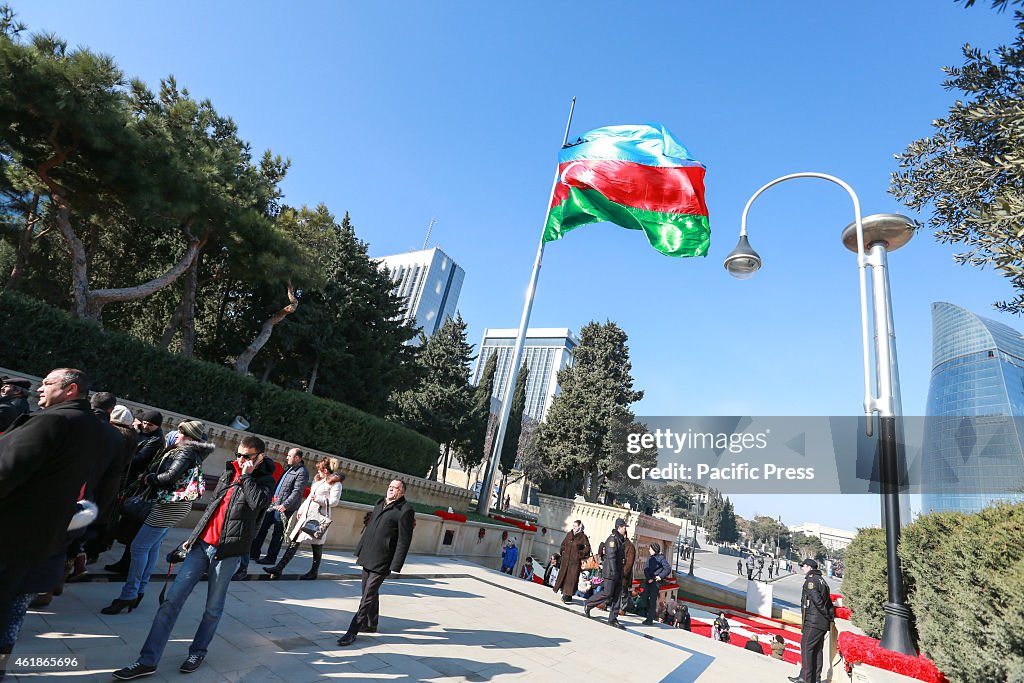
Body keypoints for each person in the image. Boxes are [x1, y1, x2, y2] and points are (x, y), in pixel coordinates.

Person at [112, 435, 274, 679]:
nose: (240, 460)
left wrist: (247, 476)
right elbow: (212, 508)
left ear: (259, 457)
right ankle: (147, 660)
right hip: (201, 546)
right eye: (238, 455)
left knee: (212, 608)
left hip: (227, 552)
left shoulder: (264, 480)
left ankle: (198, 651)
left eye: (246, 456)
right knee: (171, 602)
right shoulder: (230, 472)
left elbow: (258, 504)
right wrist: (192, 538)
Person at [0, 368, 107, 662]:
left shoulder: (53, 420)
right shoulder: (94, 427)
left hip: (11, 532)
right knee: (11, 612)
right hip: (44, 539)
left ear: (70, 389)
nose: (39, 389)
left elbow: (6, 471)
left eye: (47, 383)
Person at [102, 421, 213, 615]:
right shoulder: (191, 451)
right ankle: (139, 591)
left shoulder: (185, 451)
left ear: (188, 436)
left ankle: (128, 595)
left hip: (170, 505)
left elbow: (170, 477)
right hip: (174, 505)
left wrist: (149, 478)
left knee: (139, 547)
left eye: (180, 432)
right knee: (151, 546)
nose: (176, 435)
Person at [336, 479, 415, 647]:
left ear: (402, 492)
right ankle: (372, 623)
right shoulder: (379, 503)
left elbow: (404, 540)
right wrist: (360, 550)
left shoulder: (405, 510)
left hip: (383, 559)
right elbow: (370, 529)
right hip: (368, 555)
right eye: (390, 487)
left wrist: (396, 564)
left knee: (367, 596)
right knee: (368, 591)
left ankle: (352, 630)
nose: (391, 490)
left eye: (396, 488)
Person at [106, 410, 166, 575]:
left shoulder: (155, 440)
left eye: (150, 424)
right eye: (144, 423)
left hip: (137, 486)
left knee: (132, 528)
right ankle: (123, 563)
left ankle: (126, 565)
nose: (146, 426)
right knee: (127, 525)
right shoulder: (140, 434)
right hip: (130, 482)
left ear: (158, 426)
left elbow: (139, 459)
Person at [264, 457, 343, 580]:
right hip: (306, 515)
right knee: (294, 541)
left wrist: (318, 499)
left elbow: (334, 501)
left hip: (317, 518)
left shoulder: (335, 483)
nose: (318, 471)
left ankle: (313, 571)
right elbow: (310, 497)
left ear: (326, 470)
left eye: (320, 469)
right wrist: (301, 510)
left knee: (316, 546)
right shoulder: (319, 481)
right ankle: (279, 568)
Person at [251, 448, 309, 567]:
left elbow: (297, 492)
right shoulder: (289, 468)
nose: (287, 457)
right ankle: (253, 553)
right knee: (262, 527)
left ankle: (270, 558)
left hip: (285, 507)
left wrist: (285, 505)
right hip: (274, 504)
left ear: (297, 458)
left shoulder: (302, 472)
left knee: (277, 533)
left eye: (289, 456)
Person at [788, 558, 836, 683]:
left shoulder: (811, 581)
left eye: (803, 566)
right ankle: (815, 679)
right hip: (821, 623)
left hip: (814, 621)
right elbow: (829, 602)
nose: (802, 568)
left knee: (806, 647)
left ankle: (805, 677)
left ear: (809, 567)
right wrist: (830, 617)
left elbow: (817, 601)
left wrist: (826, 615)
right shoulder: (822, 581)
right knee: (817, 650)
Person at [583, 518, 627, 629]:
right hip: (611, 572)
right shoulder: (612, 540)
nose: (625, 529)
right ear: (619, 527)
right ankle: (589, 603)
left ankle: (613, 618)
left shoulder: (620, 539)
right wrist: (614, 572)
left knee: (617, 595)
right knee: (607, 593)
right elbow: (611, 557)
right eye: (624, 527)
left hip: (618, 571)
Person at [553, 520, 591, 604]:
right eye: (573, 526)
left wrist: (579, 554)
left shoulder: (583, 537)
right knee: (564, 577)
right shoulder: (569, 534)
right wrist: (563, 552)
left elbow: (587, 548)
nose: (574, 527)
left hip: (574, 563)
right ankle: (566, 594)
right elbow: (563, 544)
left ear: (579, 527)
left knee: (571, 579)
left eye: (576, 526)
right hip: (566, 561)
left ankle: (567, 595)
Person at [640, 542, 672, 625]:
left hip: (655, 583)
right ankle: (650, 615)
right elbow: (645, 569)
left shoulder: (661, 558)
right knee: (643, 598)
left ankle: (649, 619)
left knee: (652, 601)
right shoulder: (650, 558)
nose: (649, 550)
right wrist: (648, 578)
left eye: (650, 549)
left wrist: (660, 576)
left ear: (654, 550)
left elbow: (667, 568)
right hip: (648, 581)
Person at [617, 525, 637, 617]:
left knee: (623, 592)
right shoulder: (620, 544)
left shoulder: (630, 546)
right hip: (618, 572)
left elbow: (629, 563)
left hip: (625, 574)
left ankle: (622, 609)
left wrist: (624, 573)